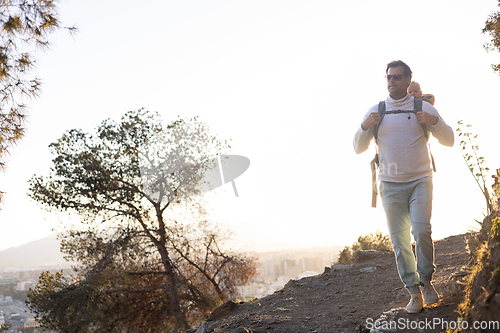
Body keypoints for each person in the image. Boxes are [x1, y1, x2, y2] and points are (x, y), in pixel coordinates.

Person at [353, 60, 454, 314]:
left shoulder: (423, 107)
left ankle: (427, 282)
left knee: (421, 231)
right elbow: (357, 147)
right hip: (389, 185)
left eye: (398, 77)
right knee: (399, 242)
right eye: (389, 77)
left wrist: (435, 121)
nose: (392, 81)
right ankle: (414, 292)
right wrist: (364, 126)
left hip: (420, 180)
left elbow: (449, 139)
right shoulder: (376, 111)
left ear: (409, 79)